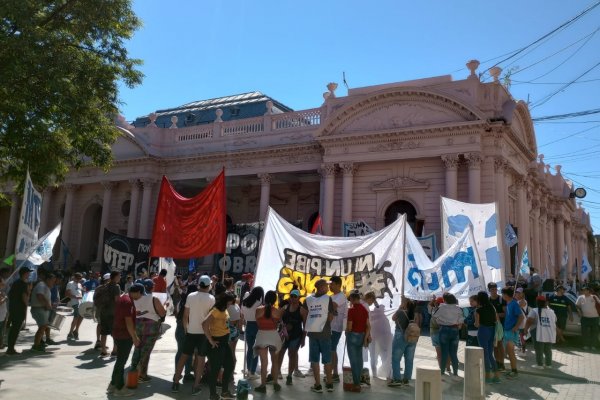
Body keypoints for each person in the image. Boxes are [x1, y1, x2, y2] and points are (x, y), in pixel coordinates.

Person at [172, 275, 215, 394]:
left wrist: (186, 329)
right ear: (209, 285)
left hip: (191, 331)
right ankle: (196, 386)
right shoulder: (212, 298)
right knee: (201, 359)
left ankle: (175, 383)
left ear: (199, 284)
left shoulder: (191, 296)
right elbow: (211, 318)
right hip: (203, 334)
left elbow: (185, 316)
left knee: (183, 356)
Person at [107, 283, 143, 397]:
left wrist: (134, 313)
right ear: (136, 292)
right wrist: (135, 337)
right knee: (121, 362)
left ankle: (112, 384)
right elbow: (128, 322)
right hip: (124, 335)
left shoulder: (124, 298)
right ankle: (119, 388)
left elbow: (124, 315)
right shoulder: (128, 302)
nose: (141, 297)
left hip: (118, 333)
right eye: (141, 294)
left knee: (119, 360)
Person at [130, 278, 166, 383]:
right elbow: (162, 313)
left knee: (137, 348)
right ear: (152, 287)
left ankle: (133, 369)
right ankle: (142, 374)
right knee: (146, 351)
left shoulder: (133, 299)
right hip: (151, 327)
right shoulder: (154, 299)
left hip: (138, 326)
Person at [303, 278, 335, 393]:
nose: (328, 288)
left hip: (312, 333)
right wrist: (325, 324)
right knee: (327, 360)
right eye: (326, 286)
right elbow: (331, 317)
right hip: (325, 333)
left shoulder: (308, 299)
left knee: (314, 360)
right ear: (321, 287)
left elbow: (305, 315)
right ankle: (330, 384)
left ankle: (317, 385)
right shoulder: (328, 299)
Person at [203, 291, 237, 400]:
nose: (229, 306)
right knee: (216, 369)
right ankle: (213, 394)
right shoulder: (215, 310)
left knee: (230, 365)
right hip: (216, 342)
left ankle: (225, 391)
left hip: (224, 342)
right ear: (223, 302)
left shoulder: (223, 309)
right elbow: (204, 324)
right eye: (228, 303)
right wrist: (211, 340)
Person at [253, 290, 283, 393]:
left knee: (264, 362)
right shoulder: (278, 311)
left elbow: (258, 323)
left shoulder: (258, 310)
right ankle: (275, 383)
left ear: (265, 299)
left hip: (262, 335)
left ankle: (263, 385)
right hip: (274, 336)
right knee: (275, 362)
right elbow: (277, 324)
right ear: (275, 300)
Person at [279, 289, 307, 386]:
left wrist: (303, 339)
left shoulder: (302, 310)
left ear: (299, 298)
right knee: (281, 353)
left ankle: (290, 375)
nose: (293, 298)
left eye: (295, 296)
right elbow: (278, 317)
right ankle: (278, 371)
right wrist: (283, 326)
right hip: (285, 336)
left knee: (292, 354)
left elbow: (305, 326)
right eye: (291, 296)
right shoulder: (285, 307)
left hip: (296, 336)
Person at [389, 296, 418, 387]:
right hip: (412, 337)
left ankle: (397, 379)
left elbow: (393, 318)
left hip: (401, 336)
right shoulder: (414, 314)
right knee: (409, 359)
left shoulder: (400, 311)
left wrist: (399, 307)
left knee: (396, 358)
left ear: (404, 302)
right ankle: (406, 379)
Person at [434, 293, 464, 378]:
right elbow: (461, 320)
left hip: (444, 329)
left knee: (444, 352)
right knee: (453, 353)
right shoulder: (458, 308)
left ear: (445, 299)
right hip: (454, 330)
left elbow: (434, 315)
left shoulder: (442, 307)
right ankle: (455, 372)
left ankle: (442, 372)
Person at [364, 291, 392, 380]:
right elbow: (379, 307)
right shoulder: (382, 315)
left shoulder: (369, 313)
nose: (372, 303)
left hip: (372, 337)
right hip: (382, 338)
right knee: (384, 355)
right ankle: (387, 374)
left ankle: (375, 374)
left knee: (373, 356)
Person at [346, 291, 370, 392]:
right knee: (359, 358)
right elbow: (368, 326)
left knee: (353, 360)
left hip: (353, 335)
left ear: (352, 299)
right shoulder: (364, 309)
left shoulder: (351, 310)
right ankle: (358, 381)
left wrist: (346, 331)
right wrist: (365, 338)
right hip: (361, 335)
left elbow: (350, 326)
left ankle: (356, 384)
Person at [475, 291, 500, 384]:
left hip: (483, 331)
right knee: (490, 354)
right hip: (492, 330)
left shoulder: (478, 310)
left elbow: (477, 324)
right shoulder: (492, 308)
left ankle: (488, 377)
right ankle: (497, 376)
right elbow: (496, 319)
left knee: (484, 354)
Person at [524, 296, 557, 368]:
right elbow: (555, 320)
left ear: (537, 302)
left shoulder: (534, 310)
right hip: (549, 332)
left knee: (539, 349)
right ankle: (548, 364)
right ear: (545, 303)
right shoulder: (551, 311)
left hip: (537, 332)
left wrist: (526, 329)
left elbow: (529, 320)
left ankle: (540, 364)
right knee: (548, 349)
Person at [94, 271, 121, 356]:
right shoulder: (116, 286)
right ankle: (115, 350)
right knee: (115, 332)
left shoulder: (105, 285)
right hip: (113, 312)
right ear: (115, 277)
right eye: (119, 276)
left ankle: (103, 351)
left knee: (104, 332)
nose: (120, 278)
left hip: (103, 311)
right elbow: (117, 300)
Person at [174, 284, 196, 384]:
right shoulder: (193, 302)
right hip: (188, 329)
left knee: (180, 351)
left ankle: (177, 372)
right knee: (189, 352)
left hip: (179, 329)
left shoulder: (181, 301)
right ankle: (187, 373)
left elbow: (176, 313)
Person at [6, 267, 32, 354]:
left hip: (13, 308)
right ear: (24, 273)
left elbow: (10, 294)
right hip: (18, 309)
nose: (29, 274)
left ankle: (10, 348)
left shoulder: (16, 282)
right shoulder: (23, 284)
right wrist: (27, 304)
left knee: (14, 328)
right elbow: (24, 297)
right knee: (15, 329)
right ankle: (10, 349)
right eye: (28, 273)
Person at [241, 286, 264, 379]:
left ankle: (248, 369)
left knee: (250, 349)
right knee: (256, 349)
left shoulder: (245, 302)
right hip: (257, 326)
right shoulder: (259, 303)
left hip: (248, 325)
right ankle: (252, 372)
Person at [30, 272, 56, 352]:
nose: (53, 283)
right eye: (52, 281)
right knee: (43, 326)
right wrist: (47, 305)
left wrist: (49, 304)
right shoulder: (42, 285)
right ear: (48, 279)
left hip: (41, 309)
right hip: (39, 309)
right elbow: (39, 296)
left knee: (42, 326)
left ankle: (39, 343)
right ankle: (36, 345)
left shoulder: (45, 286)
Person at [328, 276, 347, 383]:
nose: (330, 286)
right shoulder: (331, 296)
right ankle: (334, 373)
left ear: (338, 285)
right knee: (331, 350)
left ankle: (334, 373)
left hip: (336, 328)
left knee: (331, 349)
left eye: (332, 284)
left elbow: (332, 306)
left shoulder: (341, 296)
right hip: (329, 327)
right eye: (329, 284)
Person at [502, 287, 523, 379]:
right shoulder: (508, 303)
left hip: (511, 331)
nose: (502, 296)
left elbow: (521, 316)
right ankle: (510, 369)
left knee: (511, 353)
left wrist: (516, 327)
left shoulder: (514, 304)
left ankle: (514, 371)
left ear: (506, 295)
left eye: (503, 294)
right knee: (506, 352)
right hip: (506, 331)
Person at [488, 282, 506, 371]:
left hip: (500, 326)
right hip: (491, 326)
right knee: (494, 345)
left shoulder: (501, 299)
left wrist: (495, 315)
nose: (494, 291)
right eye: (492, 290)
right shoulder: (488, 300)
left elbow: (505, 314)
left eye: (495, 289)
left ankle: (502, 363)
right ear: (489, 290)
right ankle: (497, 362)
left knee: (499, 344)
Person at [575, 285, 600, 350]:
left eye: (585, 290)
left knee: (594, 332)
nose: (583, 291)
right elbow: (577, 305)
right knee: (585, 332)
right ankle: (585, 345)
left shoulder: (594, 297)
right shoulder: (580, 297)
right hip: (585, 318)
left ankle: (593, 346)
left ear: (588, 291)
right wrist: (578, 311)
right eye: (583, 290)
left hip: (595, 318)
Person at [66, 272, 84, 340]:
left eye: (80, 278)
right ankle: (70, 333)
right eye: (78, 278)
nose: (79, 279)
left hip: (80, 302)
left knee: (82, 316)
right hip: (74, 302)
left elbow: (80, 292)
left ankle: (76, 331)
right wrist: (76, 297)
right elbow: (67, 294)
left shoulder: (79, 284)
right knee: (76, 316)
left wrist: (84, 290)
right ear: (74, 277)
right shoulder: (70, 283)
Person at [515, 287, 530, 353]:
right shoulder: (518, 301)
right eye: (516, 293)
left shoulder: (523, 301)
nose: (517, 294)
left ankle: (523, 351)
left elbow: (517, 309)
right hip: (518, 321)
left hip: (522, 322)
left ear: (522, 294)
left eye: (519, 293)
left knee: (521, 337)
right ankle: (519, 349)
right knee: (519, 337)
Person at [0, 275, 7, 350]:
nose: (3, 284)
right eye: (2, 282)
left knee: (2, 330)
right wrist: (5, 298)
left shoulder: (1, 291)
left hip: (2, 315)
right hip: (0, 316)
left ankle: (1, 343)